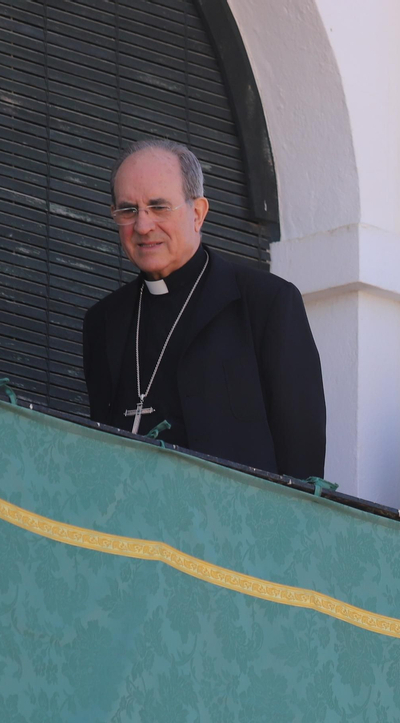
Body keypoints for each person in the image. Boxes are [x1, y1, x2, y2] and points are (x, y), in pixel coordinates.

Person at [82, 139, 327, 479]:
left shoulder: (267, 304)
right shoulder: (104, 322)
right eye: (128, 210)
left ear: (197, 213)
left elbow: (302, 458)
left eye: (159, 207)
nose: (142, 226)